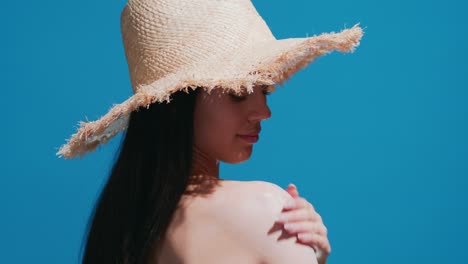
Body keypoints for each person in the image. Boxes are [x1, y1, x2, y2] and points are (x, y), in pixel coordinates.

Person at [57, 0, 363, 263]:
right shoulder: (265, 209)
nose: (264, 112)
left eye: (265, 90)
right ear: (177, 102)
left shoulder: (120, 228)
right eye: (238, 92)